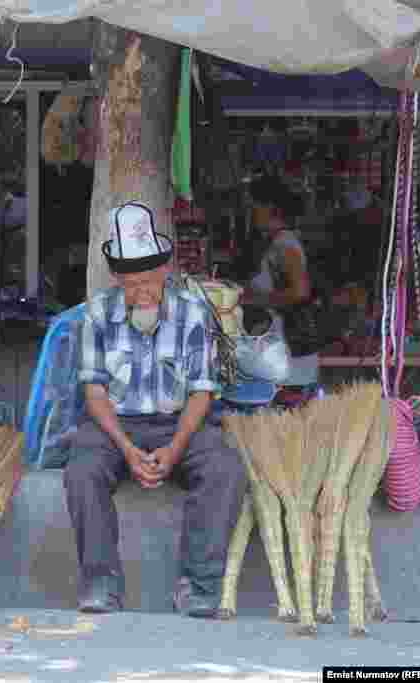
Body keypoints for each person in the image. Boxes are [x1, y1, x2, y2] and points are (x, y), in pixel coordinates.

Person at [64, 201, 246, 618]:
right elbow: (94, 392)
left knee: (224, 469)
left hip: (179, 422)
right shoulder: (97, 314)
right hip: (115, 425)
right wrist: (128, 449)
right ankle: (100, 583)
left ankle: (199, 586)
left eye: (148, 281)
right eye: (131, 285)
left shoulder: (193, 313)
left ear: (165, 272)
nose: (141, 293)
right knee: (81, 472)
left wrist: (177, 447)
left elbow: (202, 391)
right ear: (116, 278)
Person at [241, 174, 321, 399]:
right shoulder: (274, 244)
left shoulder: (285, 244)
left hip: (291, 353)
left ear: (270, 207)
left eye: (254, 206)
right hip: (280, 351)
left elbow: (299, 292)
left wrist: (250, 299)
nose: (250, 212)